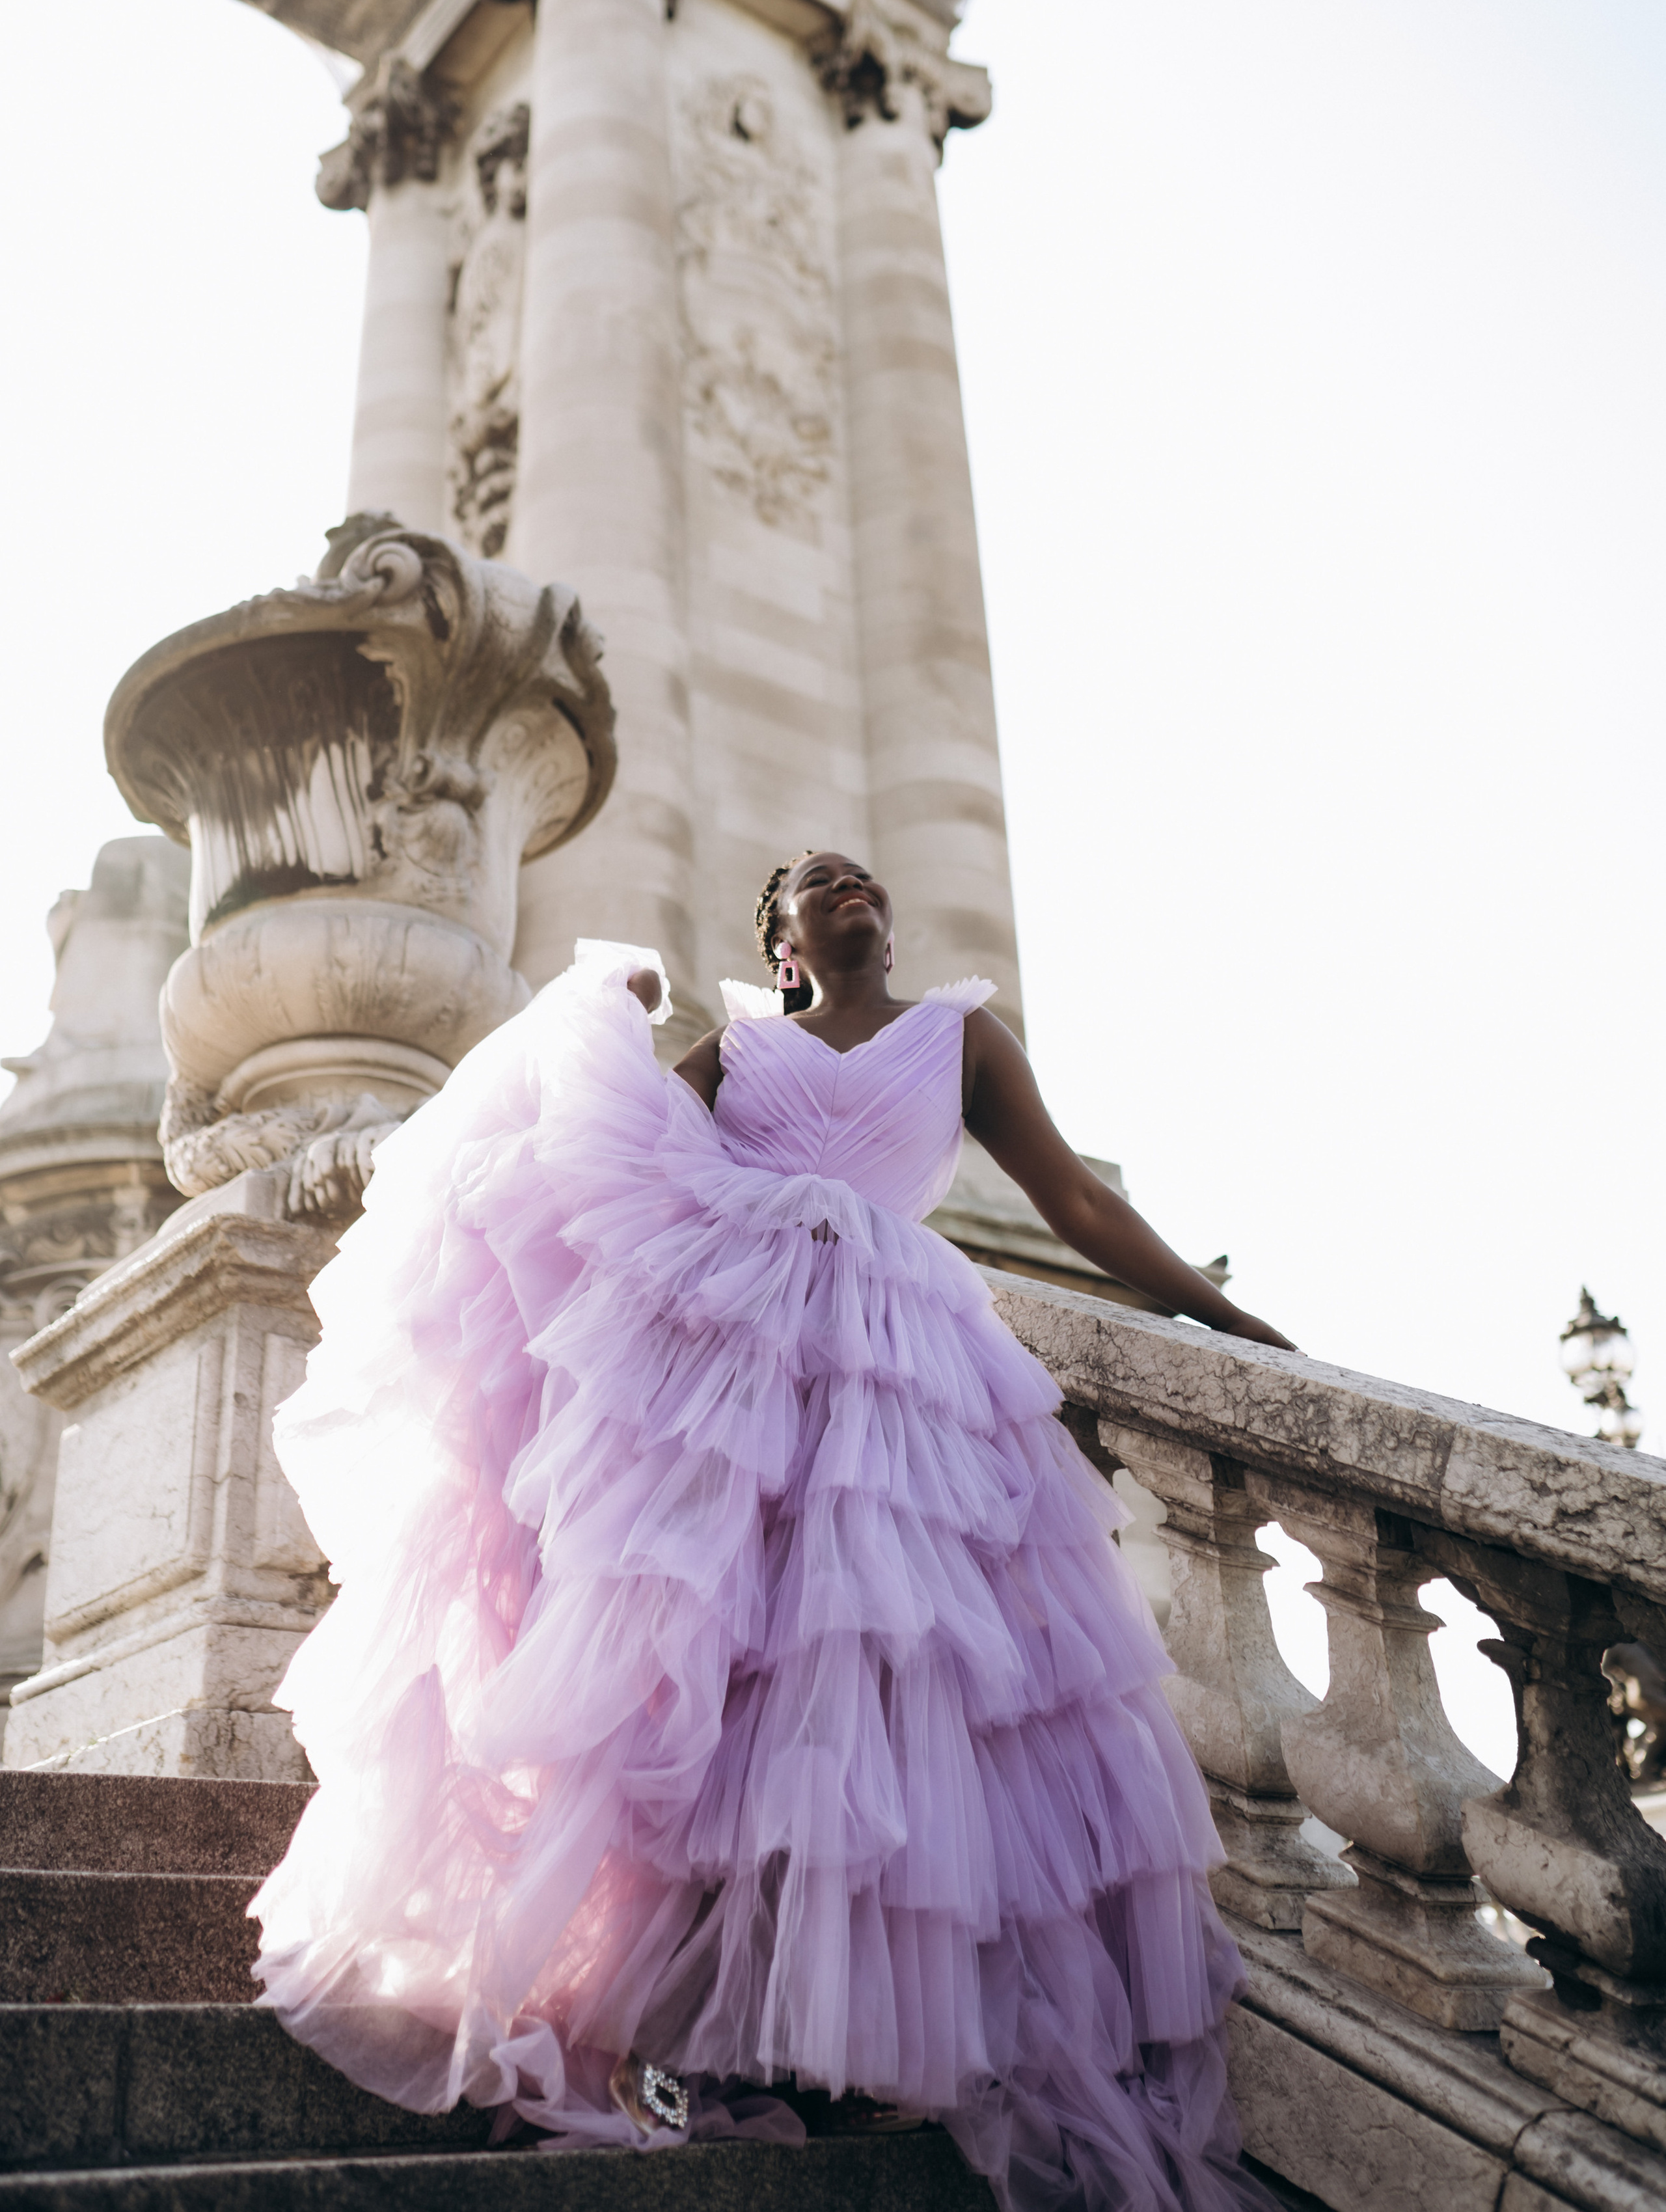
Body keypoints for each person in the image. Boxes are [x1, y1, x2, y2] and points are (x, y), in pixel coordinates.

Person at [251, 851, 1295, 2211]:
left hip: (900, 1370)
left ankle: (833, 2031)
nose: (852, 885)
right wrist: (606, 1017)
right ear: (784, 937)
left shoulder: (961, 1037)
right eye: (819, 879)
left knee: (870, 1691)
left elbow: (1076, 1206)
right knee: (706, 1688)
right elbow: (596, 1148)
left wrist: (1215, 1315)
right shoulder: (739, 1045)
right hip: (728, 1363)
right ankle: (661, 2029)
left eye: (867, 875)